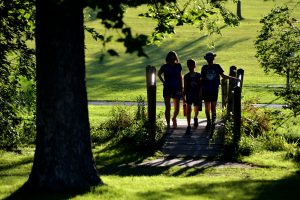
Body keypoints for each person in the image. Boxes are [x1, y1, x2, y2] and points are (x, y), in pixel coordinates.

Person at [201, 52, 239, 131]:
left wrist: (233, 78)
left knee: (213, 107)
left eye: (211, 59)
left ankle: (213, 122)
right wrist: (200, 90)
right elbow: (201, 79)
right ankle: (209, 122)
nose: (210, 60)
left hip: (214, 89)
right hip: (206, 89)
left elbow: (223, 76)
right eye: (209, 59)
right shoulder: (204, 68)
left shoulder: (217, 66)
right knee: (207, 107)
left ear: (213, 59)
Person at [158, 51, 183, 130]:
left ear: (176, 58)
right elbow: (159, 74)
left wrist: (181, 87)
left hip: (176, 88)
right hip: (167, 88)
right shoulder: (164, 66)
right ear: (168, 58)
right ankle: (168, 124)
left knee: (177, 108)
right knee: (168, 107)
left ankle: (174, 118)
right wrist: (163, 82)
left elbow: (180, 77)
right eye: (171, 58)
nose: (172, 59)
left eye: (174, 57)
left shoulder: (178, 66)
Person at [183, 59, 202, 134]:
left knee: (196, 108)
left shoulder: (198, 75)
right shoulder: (186, 76)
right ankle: (188, 125)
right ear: (188, 66)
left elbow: (201, 85)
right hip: (189, 94)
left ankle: (195, 117)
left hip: (197, 94)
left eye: (192, 65)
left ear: (195, 66)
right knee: (188, 109)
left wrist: (200, 92)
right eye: (189, 65)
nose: (191, 67)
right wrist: (183, 95)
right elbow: (185, 87)